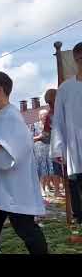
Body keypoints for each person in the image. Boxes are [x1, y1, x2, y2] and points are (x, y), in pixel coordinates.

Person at [0, 71, 48, 254]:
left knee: (26, 229)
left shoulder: (12, 116)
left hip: (12, 187)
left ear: (0, 90)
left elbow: (15, 151)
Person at [52, 42, 82, 225]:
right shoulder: (65, 88)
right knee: (78, 182)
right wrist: (58, 147)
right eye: (79, 58)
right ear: (75, 59)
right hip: (75, 144)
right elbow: (59, 120)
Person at [43, 89, 63, 197]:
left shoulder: (66, 109)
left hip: (68, 148)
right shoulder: (49, 114)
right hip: (56, 148)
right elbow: (46, 134)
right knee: (57, 171)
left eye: (50, 102)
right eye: (48, 103)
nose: (49, 105)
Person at [32, 109, 54, 197]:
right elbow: (30, 138)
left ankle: (46, 186)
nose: (45, 116)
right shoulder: (35, 125)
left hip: (49, 147)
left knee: (49, 168)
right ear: (39, 116)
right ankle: (41, 188)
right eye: (43, 115)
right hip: (39, 148)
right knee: (41, 168)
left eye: (46, 115)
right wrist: (39, 137)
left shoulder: (50, 125)